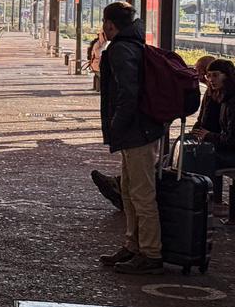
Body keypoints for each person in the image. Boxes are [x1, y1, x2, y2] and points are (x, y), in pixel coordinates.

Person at [92, 54, 217, 211]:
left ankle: (126, 188)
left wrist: (207, 135)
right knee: (168, 158)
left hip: (213, 141)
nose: (199, 76)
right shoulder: (211, 93)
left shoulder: (221, 97)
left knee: (172, 158)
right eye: (206, 74)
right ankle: (123, 186)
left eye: (204, 73)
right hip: (207, 138)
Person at [97, 2, 166, 274]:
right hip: (139, 131)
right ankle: (133, 245)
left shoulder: (121, 49)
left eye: (105, 22)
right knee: (128, 190)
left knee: (142, 195)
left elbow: (128, 93)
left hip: (138, 133)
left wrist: (116, 125)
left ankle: (151, 253)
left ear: (109, 23)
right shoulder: (132, 44)